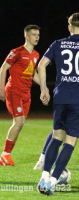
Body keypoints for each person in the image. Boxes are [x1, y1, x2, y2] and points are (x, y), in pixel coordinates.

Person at [37, 13, 79, 195]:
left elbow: (41, 65)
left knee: (56, 137)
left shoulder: (58, 43)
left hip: (60, 96)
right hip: (77, 99)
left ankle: (43, 178)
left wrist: (44, 89)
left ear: (69, 27)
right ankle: (52, 182)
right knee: (70, 141)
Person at [0, 25, 41, 166]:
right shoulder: (16, 52)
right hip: (14, 90)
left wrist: (44, 88)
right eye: (34, 34)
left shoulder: (36, 54)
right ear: (26, 36)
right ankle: (5, 155)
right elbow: (3, 68)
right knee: (19, 122)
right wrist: (2, 89)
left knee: (19, 124)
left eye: (38, 34)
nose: (37, 37)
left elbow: (33, 73)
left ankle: (5, 156)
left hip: (26, 93)